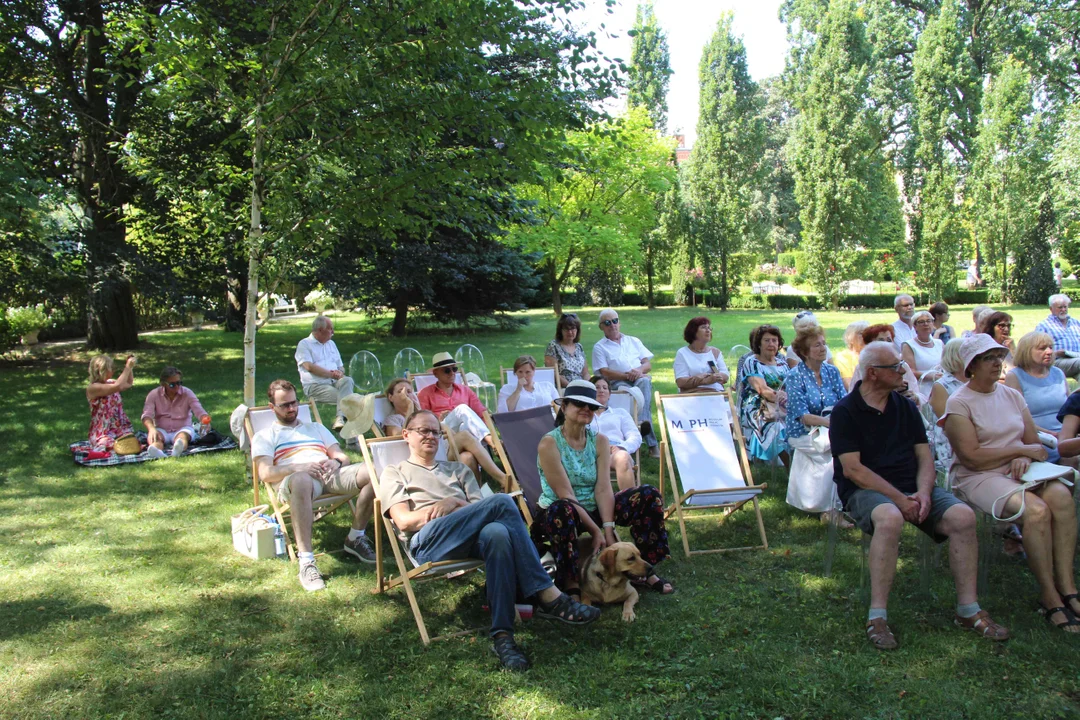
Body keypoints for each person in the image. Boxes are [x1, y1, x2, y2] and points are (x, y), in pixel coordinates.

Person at [380, 408, 599, 671]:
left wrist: (455, 506)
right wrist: (447, 504)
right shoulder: (395, 471)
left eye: (435, 431)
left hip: (467, 538)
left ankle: (503, 638)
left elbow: (483, 514)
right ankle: (547, 593)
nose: (431, 436)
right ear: (406, 435)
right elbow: (404, 521)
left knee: (496, 532)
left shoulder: (458, 470)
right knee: (501, 501)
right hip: (428, 542)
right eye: (422, 431)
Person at [831, 341, 1009, 649]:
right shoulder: (845, 411)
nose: (904, 370)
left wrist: (924, 494)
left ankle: (968, 609)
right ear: (873, 373)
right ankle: (877, 616)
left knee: (963, 516)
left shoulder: (905, 406)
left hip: (913, 488)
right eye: (896, 367)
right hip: (866, 490)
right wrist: (901, 501)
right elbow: (853, 471)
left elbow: (925, 457)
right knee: (889, 518)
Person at [942, 335, 1080, 633]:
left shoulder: (1011, 396)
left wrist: (1026, 458)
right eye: (988, 358)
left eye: (998, 356)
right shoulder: (959, 403)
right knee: (1037, 510)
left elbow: (1038, 447)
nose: (996, 362)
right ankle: (1049, 595)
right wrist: (1019, 451)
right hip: (977, 475)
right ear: (971, 367)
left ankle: (1068, 587)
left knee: (1062, 498)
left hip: (1019, 469)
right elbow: (972, 458)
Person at [531, 380, 673, 596]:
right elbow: (566, 495)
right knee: (562, 510)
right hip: (559, 513)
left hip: (595, 506)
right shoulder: (549, 443)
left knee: (648, 495)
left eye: (591, 405)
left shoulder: (600, 441)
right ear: (564, 407)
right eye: (579, 403)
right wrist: (595, 531)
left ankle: (642, 568)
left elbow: (604, 488)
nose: (586, 409)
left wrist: (607, 528)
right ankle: (571, 583)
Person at [252, 380, 377, 591]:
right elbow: (265, 473)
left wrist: (335, 461)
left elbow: (341, 456)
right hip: (299, 480)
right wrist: (298, 467)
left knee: (374, 471)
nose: (292, 409)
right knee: (301, 479)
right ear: (271, 407)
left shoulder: (315, 427)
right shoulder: (264, 436)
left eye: (294, 403)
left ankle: (355, 537)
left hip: (330, 474)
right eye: (285, 405)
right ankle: (307, 561)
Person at [785, 325, 847, 524]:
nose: (823, 349)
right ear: (804, 352)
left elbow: (843, 402)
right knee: (837, 454)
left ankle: (840, 503)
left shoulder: (832, 371)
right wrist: (832, 423)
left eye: (824, 344)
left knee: (852, 449)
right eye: (816, 345)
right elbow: (803, 416)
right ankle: (831, 512)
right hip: (802, 432)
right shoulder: (795, 376)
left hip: (830, 428)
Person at [413, 356, 507, 485]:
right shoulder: (426, 393)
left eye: (454, 369)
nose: (452, 373)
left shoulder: (465, 390)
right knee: (462, 409)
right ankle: (493, 442)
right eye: (447, 370)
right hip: (442, 438)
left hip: (465, 438)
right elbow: (421, 423)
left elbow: (481, 414)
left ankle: (477, 494)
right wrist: (438, 419)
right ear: (436, 373)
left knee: (467, 457)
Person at [592, 309, 659, 457]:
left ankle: (641, 421)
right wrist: (627, 376)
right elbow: (604, 372)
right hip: (616, 384)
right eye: (607, 323)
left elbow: (647, 364)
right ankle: (651, 441)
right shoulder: (599, 347)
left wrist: (638, 371)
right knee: (643, 384)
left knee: (644, 381)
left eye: (615, 321)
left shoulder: (633, 340)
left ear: (619, 322)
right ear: (601, 327)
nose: (612, 325)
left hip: (638, 378)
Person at [1004, 331, 1069, 463]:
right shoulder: (1015, 376)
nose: (1049, 352)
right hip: (1037, 438)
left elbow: (1070, 409)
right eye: (1042, 348)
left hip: (1066, 436)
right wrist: (1052, 434)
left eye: (1051, 347)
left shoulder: (1058, 373)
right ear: (1027, 351)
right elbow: (1015, 418)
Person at [739, 324, 791, 464]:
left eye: (774, 340)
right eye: (766, 340)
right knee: (776, 428)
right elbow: (763, 390)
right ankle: (790, 468)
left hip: (783, 406)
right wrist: (786, 401)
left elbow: (791, 387)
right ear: (759, 344)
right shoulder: (752, 362)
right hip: (758, 408)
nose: (771, 344)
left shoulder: (782, 363)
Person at [295, 316, 353, 431]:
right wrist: (330, 374)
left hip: (335, 382)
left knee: (348, 380)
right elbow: (308, 366)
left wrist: (339, 372)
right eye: (330, 329)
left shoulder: (331, 344)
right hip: (316, 386)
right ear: (320, 329)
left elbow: (341, 366)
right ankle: (351, 440)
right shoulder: (304, 344)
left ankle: (340, 418)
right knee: (349, 401)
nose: (333, 332)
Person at [141, 365, 210, 458]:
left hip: (183, 428)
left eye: (179, 383)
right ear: (163, 384)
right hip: (162, 429)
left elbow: (199, 411)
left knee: (182, 437)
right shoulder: (154, 394)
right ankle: (155, 451)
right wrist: (151, 429)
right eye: (172, 384)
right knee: (156, 438)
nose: (177, 387)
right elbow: (146, 415)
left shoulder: (187, 393)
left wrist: (205, 421)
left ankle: (177, 451)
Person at [848, 325, 925, 406]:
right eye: (880, 341)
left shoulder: (902, 366)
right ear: (869, 345)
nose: (886, 344)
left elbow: (920, 396)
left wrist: (914, 397)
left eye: (889, 340)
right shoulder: (863, 368)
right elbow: (853, 396)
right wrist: (892, 390)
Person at [589, 375, 642, 491]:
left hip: (615, 452)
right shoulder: (584, 415)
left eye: (605, 387)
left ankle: (630, 505)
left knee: (623, 457)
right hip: (591, 454)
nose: (601, 390)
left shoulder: (620, 413)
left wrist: (621, 447)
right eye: (597, 387)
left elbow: (635, 436)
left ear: (609, 394)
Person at [929, 339, 966, 471]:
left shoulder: (975, 382)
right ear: (956, 356)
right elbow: (947, 422)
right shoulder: (942, 385)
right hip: (952, 444)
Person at [86, 354, 137, 452]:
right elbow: (118, 386)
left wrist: (130, 367)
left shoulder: (110, 382)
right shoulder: (93, 388)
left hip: (119, 427)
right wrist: (127, 367)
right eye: (111, 368)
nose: (113, 370)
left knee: (131, 441)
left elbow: (128, 383)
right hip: (103, 430)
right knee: (107, 444)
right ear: (102, 370)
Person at [673, 316, 729, 393]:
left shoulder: (715, 352)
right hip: (692, 395)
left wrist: (716, 377)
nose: (708, 331)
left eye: (709, 328)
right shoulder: (683, 353)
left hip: (716, 393)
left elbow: (725, 376)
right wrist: (704, 381)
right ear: (693, 331)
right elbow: (680, 382)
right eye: (703, 327)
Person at [1034, 294, 1080, 380]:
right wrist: (1055, 353)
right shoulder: (1044, 326)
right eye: (1060, 307)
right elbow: (1036, 350)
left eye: (1065, 307)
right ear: (1051, 309)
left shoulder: (1076, 323)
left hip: (1076, 359)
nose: (1063, 310)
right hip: (1056, 361)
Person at [900, 311, 944, 399]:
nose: (926, 324)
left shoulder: (939, 343)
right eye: (921, 322)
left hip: (941, 385)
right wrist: (931, 376)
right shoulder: (908, 345)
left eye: (929, 321)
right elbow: (910, 371)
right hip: (922, 388)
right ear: (915, 326)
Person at [545, 313, 589, 389]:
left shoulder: (579, 347)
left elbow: (585, 373)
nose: (570, 332)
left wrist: (588, 386)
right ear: (560, 330)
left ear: (577, 330)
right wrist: (572, 387)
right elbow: (554, 374)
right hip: (563, 388)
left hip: (581, 387)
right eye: (566, 329)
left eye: (573, 328)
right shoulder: (553, 346)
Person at [977, 310, 1015, 377]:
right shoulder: (984, 347)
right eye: (1001, 326)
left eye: (1009, 326)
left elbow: (1022, 370)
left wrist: (1013, 350)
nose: (1006, 329)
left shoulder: (1010, 346)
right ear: (992, 327)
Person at [833, 321, 868, 390]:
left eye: (868, 333)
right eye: (861, 333)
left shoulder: (873, 356)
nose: (866, 336)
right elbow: (850, 386)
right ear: (850, 337)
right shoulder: (843, 357)